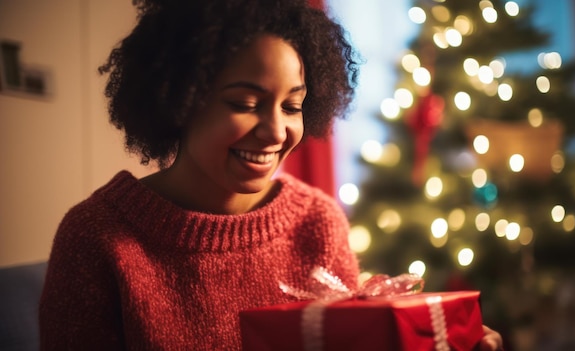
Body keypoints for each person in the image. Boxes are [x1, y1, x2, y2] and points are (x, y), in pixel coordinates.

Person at [39, 0, 503, 350]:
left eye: (293, 106)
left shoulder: (317, 222)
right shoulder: (96, 237)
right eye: (244, 104)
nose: (276, 131)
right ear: (178, 99)